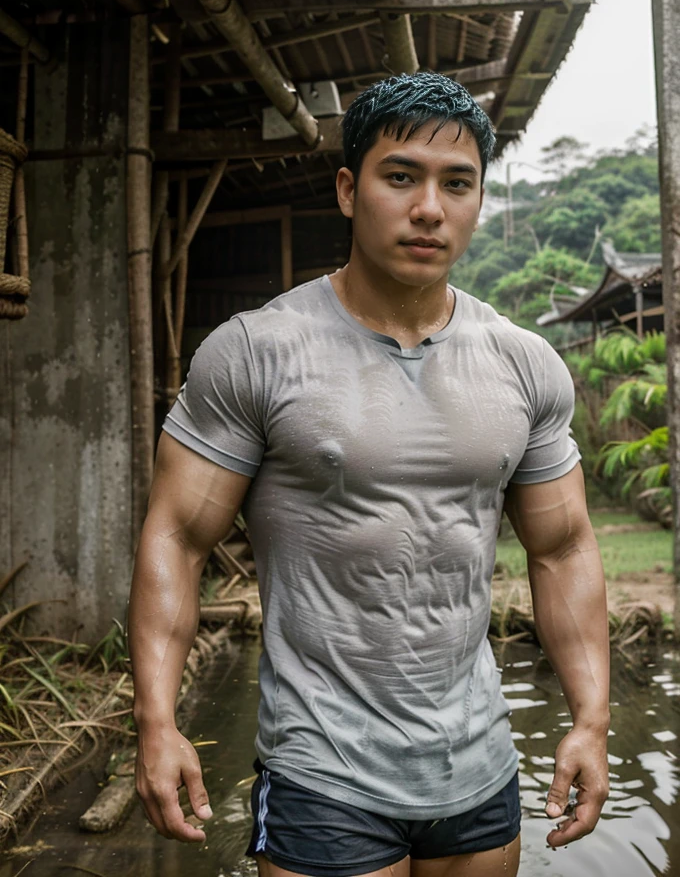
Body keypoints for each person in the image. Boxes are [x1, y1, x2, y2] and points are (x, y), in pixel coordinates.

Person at [129, 73, 610, 877]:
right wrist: (157, 720)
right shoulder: (258, 351)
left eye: (457, 184)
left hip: (479, 763)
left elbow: (564, 548)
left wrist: (591, 719)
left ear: (479, 200)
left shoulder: (525, 365)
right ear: (350, 190)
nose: (430, 207)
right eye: (401, 177)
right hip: (323, 770)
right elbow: (176, 538)